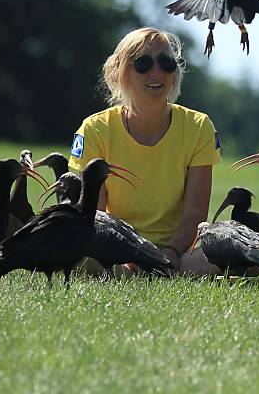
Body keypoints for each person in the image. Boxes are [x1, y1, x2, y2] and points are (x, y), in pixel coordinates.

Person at [69, 27, 221, 276]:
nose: (156, 72)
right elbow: (93, 215)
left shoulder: (199, 126)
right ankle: (134, 273)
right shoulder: (94, 129)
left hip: (178, 252)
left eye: (166, 63)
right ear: (120, 73)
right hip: (115, 249)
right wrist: (129, 253)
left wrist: (171, 252)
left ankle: (148, 273)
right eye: (142, 63)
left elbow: (195, 214)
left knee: (245, 250)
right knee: (71, 252)